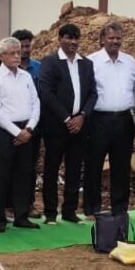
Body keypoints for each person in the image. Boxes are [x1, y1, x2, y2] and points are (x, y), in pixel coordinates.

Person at [38, 23, 97, 224]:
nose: (72, 42)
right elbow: (47, 94)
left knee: (74, 169)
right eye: (68, 38)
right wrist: (66, 118)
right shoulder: (50, 62)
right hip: (56, 126)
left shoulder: (86, 64)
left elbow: (93, 94)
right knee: (52, 169)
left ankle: (70, 211)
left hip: (80, 126)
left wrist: (82, 116)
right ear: (60, 39)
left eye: (75, 38)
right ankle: (50, 213)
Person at [0, 37, 41, 231]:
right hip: (4, 132)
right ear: (1, 56)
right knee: (1, 176)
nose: (17, 56)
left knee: (24, 175)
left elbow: (36, 103)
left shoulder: (26, 76)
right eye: (12, 53)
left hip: (27, 129)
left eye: (18, 52)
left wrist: (29, 128)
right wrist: (17, 132)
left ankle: (21, 215)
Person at [83, 21, 135, 217]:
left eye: (118, 38)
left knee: (122, 167)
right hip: (97, 120)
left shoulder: (130, 62)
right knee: (93, 164)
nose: (115, 42)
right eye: (111, 38)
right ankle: (92, 208)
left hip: (124, 120)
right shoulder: (91, 62)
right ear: (102, 39)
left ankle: (120, 208)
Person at [12, 28, 43, 220]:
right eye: (21, 46)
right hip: (13, 125)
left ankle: (28, 203)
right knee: (12, 166)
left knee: (30, 167)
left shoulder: (38, 68)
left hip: (34, 124)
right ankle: (10, 205)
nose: (24, 49)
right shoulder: (7, 68)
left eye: (27, 45)